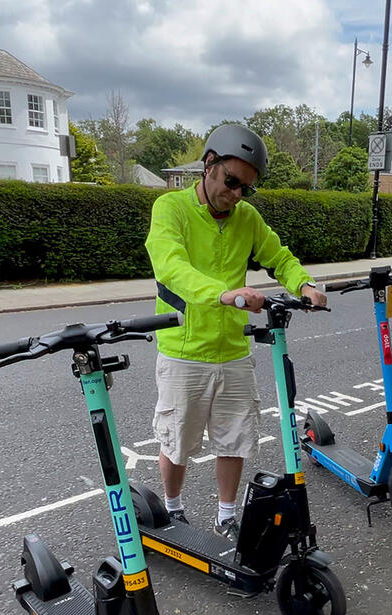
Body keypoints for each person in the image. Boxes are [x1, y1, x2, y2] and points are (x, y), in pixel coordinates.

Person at [145, 124, 327, 540]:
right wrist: (224, 294)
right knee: (178, 441)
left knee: (234, 440)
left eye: (246, 188)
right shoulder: (170, 209)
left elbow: (278, 256)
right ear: (208, 165)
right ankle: (173, 510)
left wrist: (304, 284)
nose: (237, 194)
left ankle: (226, 516)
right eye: (231, 182)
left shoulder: (246, 218)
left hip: (233, 349)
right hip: (184, 350)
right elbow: (172, 268)